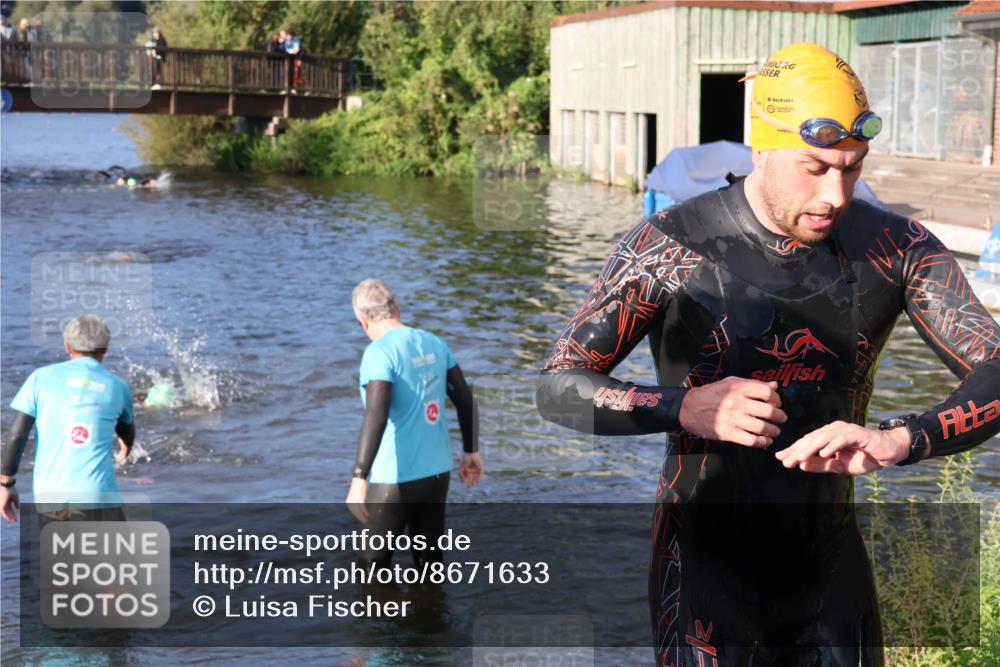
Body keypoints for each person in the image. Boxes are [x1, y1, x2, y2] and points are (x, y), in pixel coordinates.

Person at [536, 42, 999, 666]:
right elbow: (559, 386)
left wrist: (903, 438)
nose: (836, 193)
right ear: (763, 147)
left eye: (853, 167)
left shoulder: (897, 247)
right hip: (703, 574)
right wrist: (684, 408)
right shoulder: (670, 245)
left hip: (830, 574)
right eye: (814, 167)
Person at [346, 279, 482, 569]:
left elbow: (376, 414)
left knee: (370, 570)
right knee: (430, 566)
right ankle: (433, 614)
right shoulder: (433, 342)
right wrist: (471, 452)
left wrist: (359, 477)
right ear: (398, 308)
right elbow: (466, 401)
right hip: (437, 475)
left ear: (362, 321)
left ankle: (384, 616)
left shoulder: (379, 353)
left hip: (394, 479)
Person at [1, 314, 136, 525]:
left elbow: (17, 435)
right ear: (106, 348)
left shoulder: (40, 378)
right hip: (98, 497)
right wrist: (126, 447)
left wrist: (6, 485)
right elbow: (127, 429)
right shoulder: (117, 387)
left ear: (67, 346)